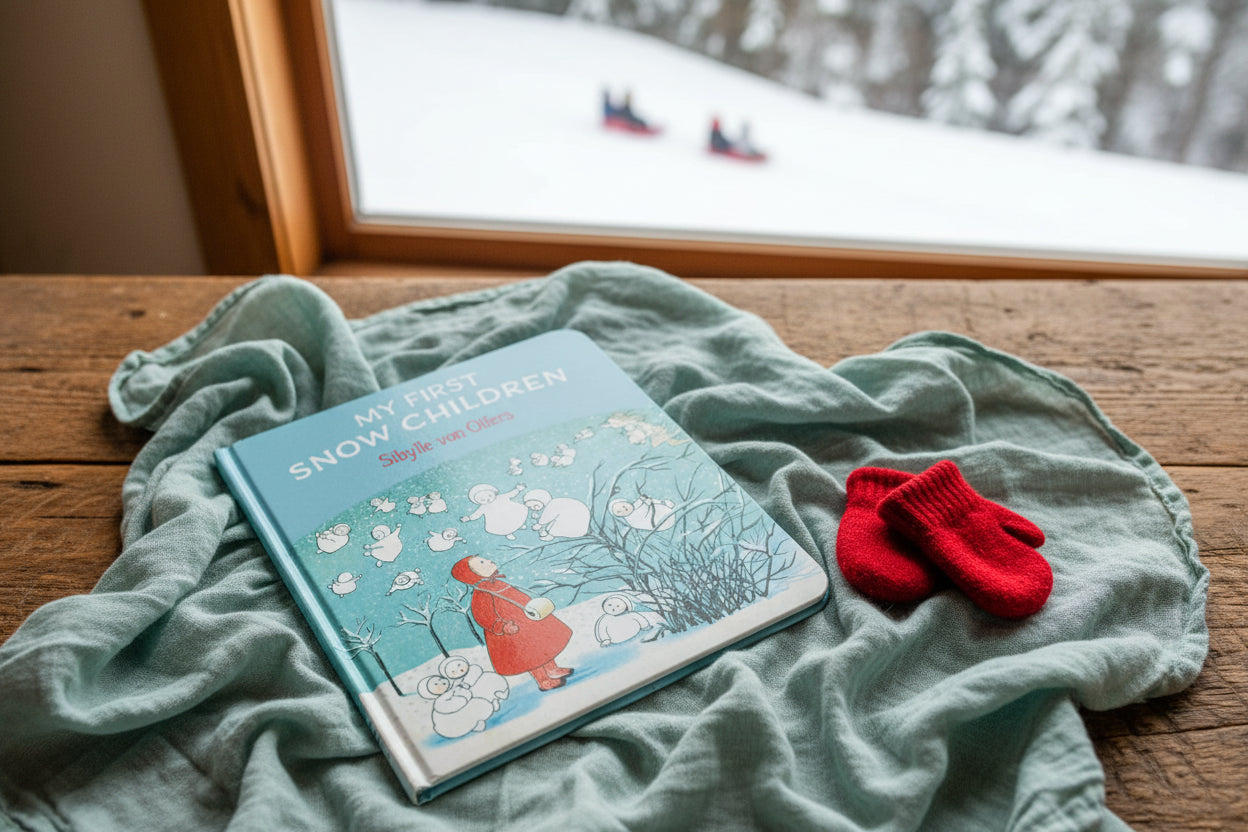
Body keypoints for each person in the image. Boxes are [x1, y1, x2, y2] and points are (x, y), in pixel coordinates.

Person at [451, 555, 574, 691]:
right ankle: (543, 680)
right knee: (530, 654)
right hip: (511, 631)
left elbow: (517, 597)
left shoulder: (497, 583)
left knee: (540, 646)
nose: (489, 561)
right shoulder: (482, 593)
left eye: (484, 559)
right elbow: (483, 616)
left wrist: (531, 606)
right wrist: (503, 626)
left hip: (526, 621)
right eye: (481, 562)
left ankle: (552, 670)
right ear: (473, 574)